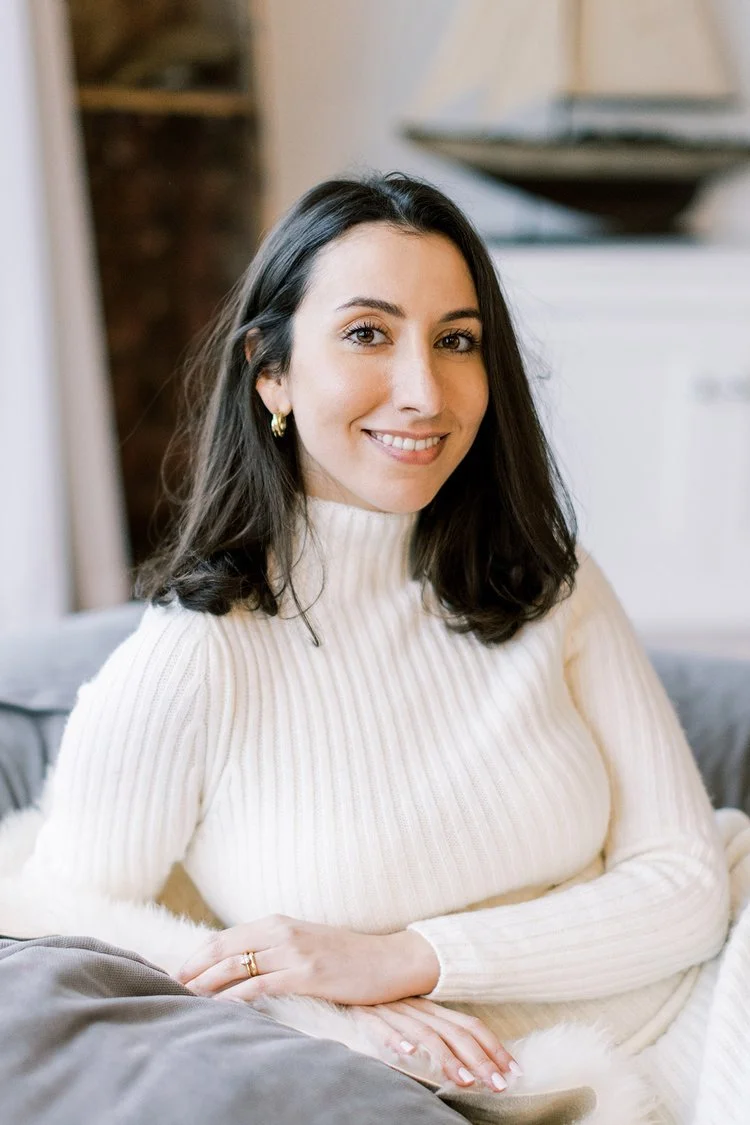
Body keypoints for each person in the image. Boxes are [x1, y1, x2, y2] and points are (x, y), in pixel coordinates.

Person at [3, 171, 750, 1125]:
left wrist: (407, 955)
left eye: (456, 340)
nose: (422, 390)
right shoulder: (196, 657)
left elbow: (684, 887)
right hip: (521, 1086)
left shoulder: (550, 581)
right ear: (270, 370)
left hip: (718, 990)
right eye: (367, 333)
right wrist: (328, 1008)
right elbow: (69, 922)